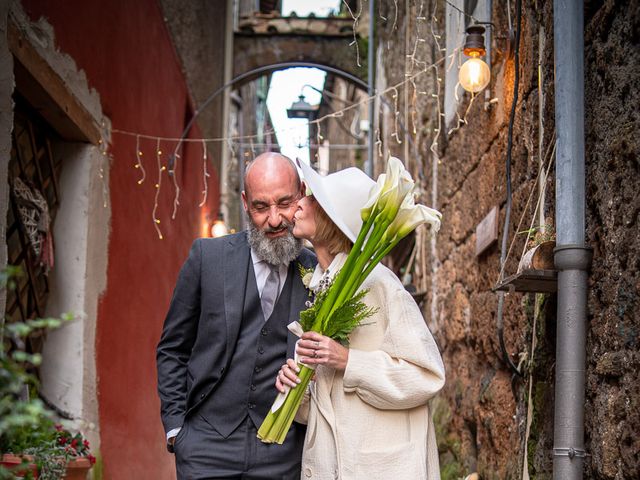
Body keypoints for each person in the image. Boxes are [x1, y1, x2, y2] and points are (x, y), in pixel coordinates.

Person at [277, 161, 446, 480]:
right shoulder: (321, 286)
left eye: (311, 198)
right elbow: (327, 406)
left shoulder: (380, 283)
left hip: (378, 468)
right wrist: (299, 387)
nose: (298, 203)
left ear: (331, 217)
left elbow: (426, 376)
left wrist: (348, 361)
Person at [157, 152, 316, 480]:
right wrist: (176, 429)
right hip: (205, 447)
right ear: (245, 203)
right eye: (261, 207)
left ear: (301, 194)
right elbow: (172, 348)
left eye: (284, 203)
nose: (274, 220)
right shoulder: (208, 257)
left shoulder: (317, 271)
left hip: (283, 451)